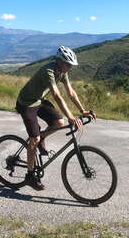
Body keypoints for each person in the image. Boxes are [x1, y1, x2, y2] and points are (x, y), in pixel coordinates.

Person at [15, 46, 96, 191]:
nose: (70, 68)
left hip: (39, 100)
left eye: (71, 65)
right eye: (68, 64)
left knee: (59, 122)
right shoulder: (49, 71)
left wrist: (82, 110)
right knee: (34, 139)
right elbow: (57, 95)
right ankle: (29, 175)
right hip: (26, 103)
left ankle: (41, 138)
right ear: (59, 61)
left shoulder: (62, 71)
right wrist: (71, 117)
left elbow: (70, 92)